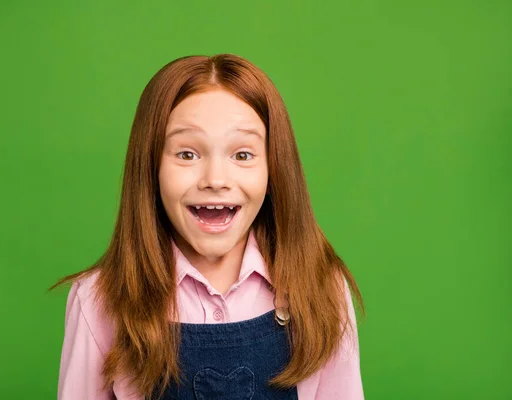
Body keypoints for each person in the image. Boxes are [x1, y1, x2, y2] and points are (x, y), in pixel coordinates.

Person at [52, 53, 365, 399]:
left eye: (242, 155)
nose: (216, 179)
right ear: (150, 167)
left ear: (274, 167)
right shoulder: (99, 301)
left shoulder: (323, 289)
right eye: (187, 154)